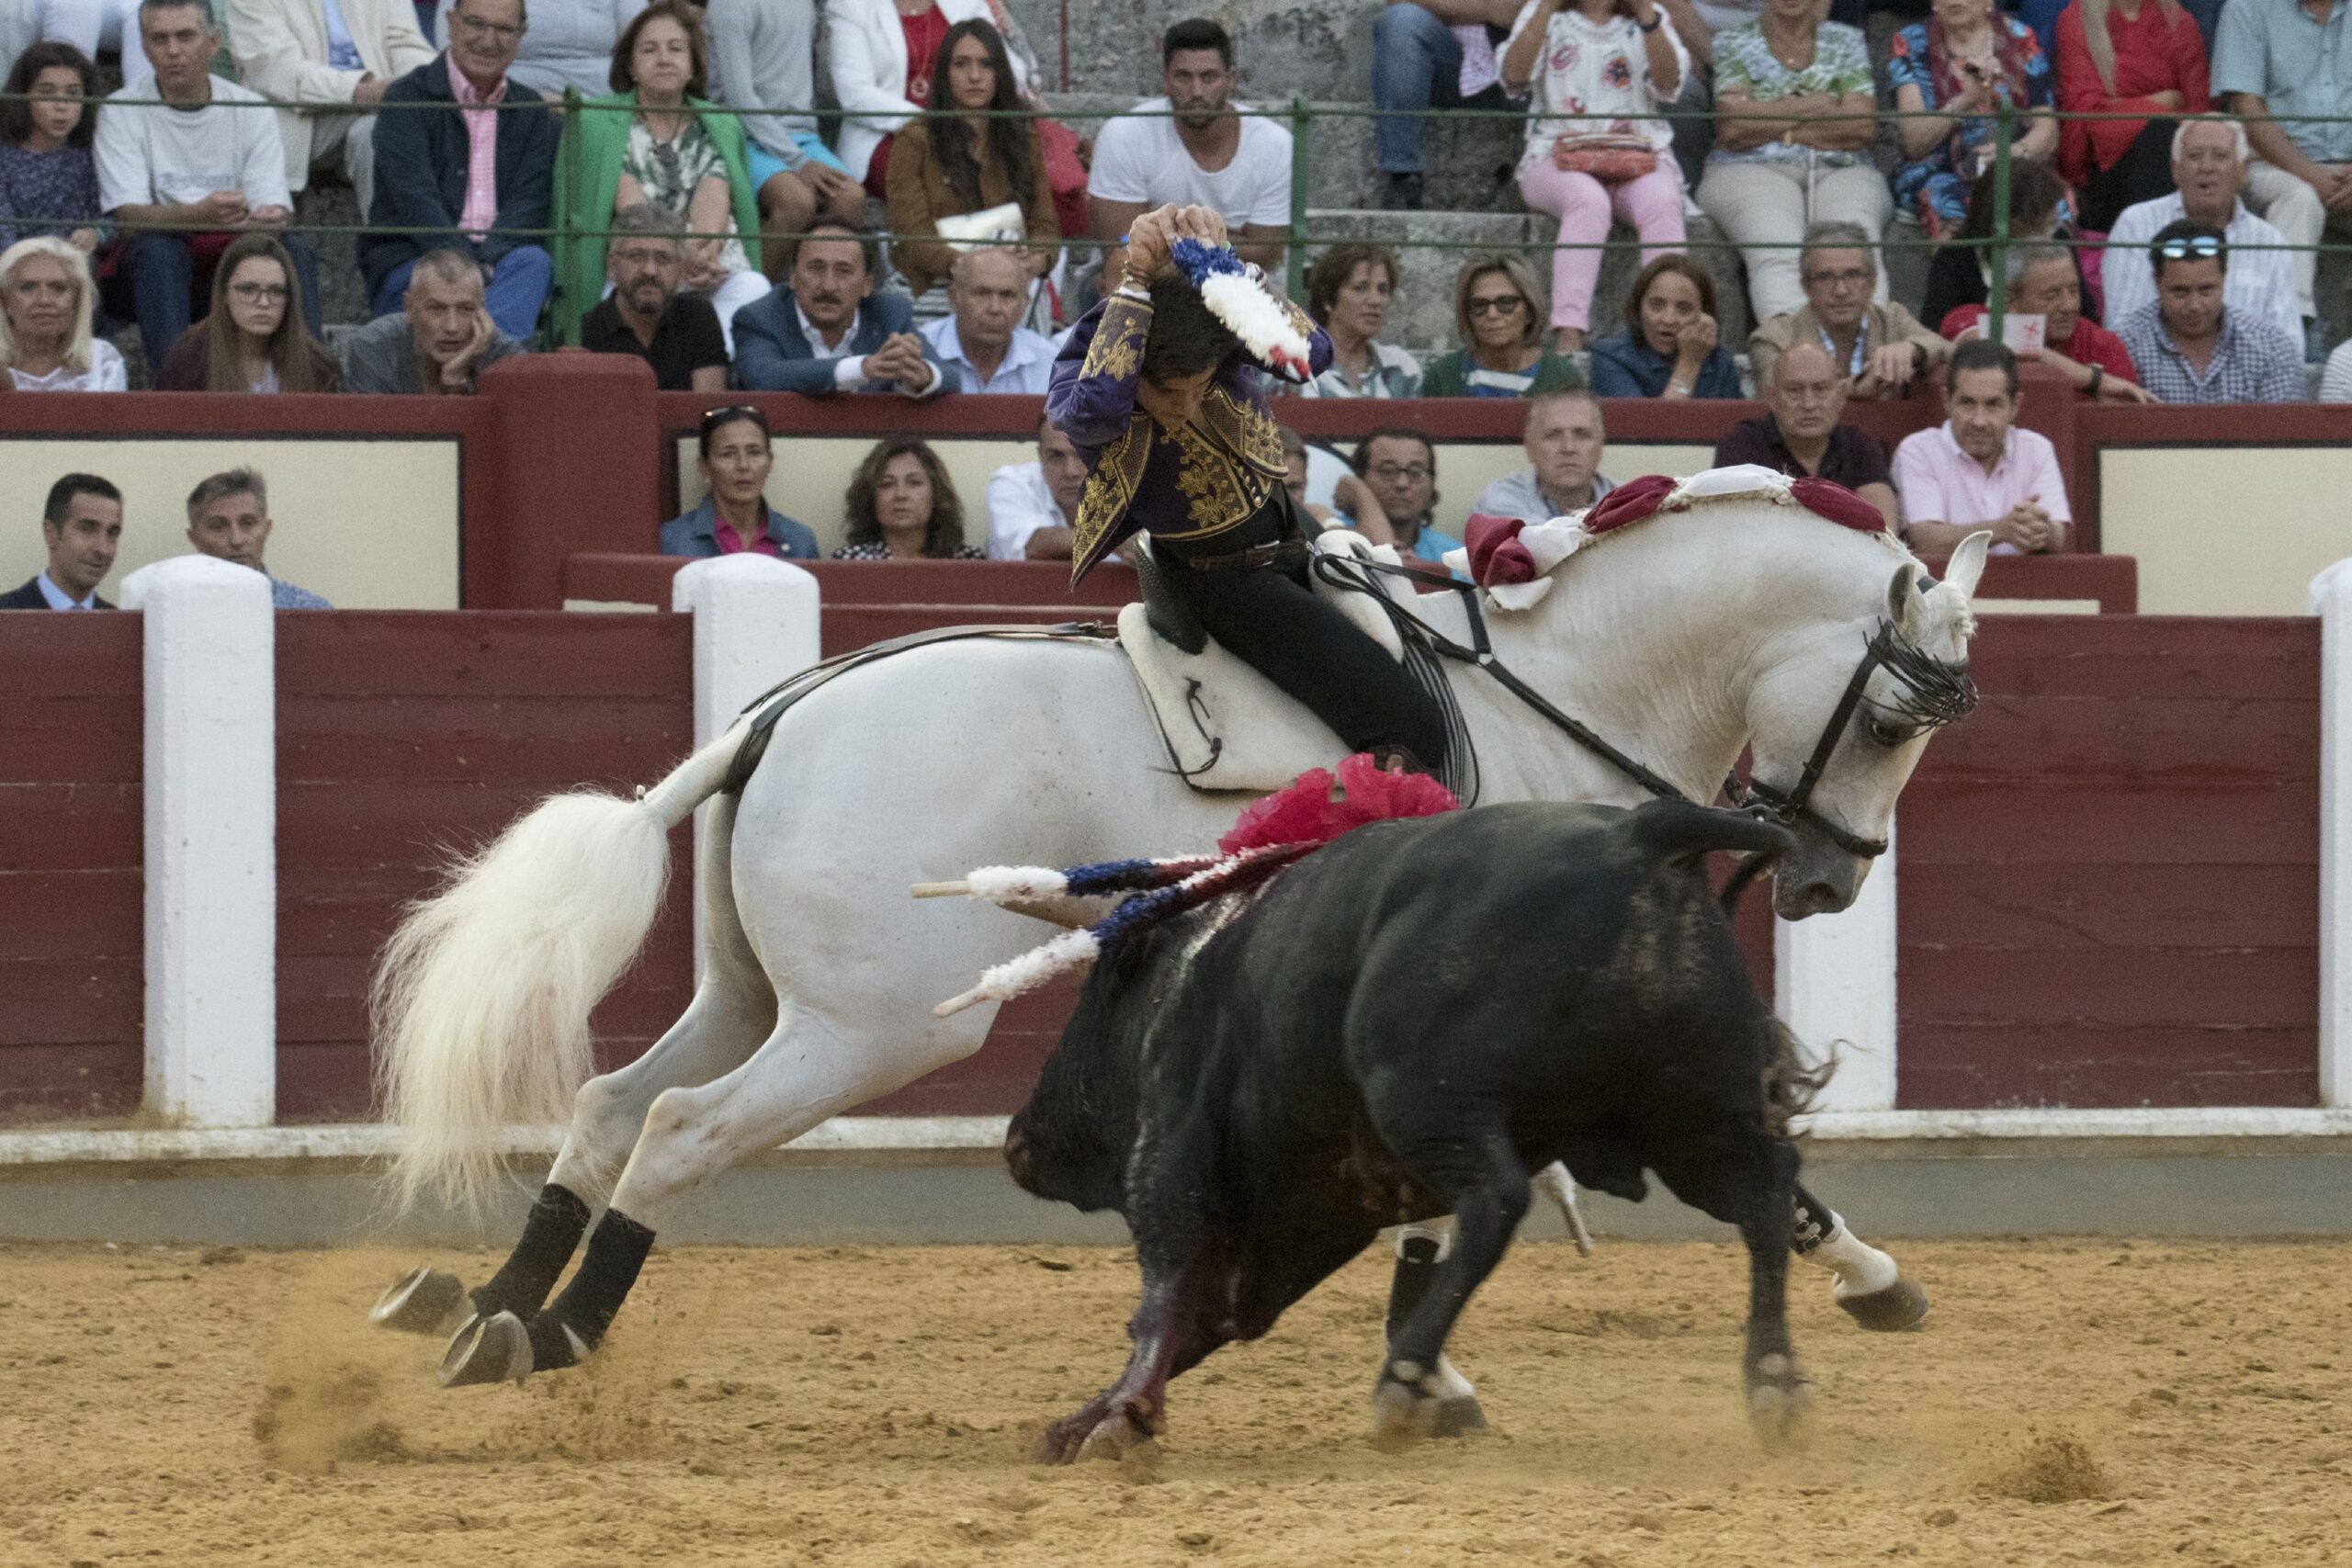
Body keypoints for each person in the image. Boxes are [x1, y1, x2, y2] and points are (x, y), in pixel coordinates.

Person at [1048, 202, 1448, 773]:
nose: (1183, 409)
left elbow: (1312, 357)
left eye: (1200, 387)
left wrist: (1223, 267)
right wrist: (1134, 283)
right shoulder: (1093, 353)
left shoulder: (1219, 319)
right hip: (1224, 583)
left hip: (1292, 529)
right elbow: (1091, 413)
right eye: (1167, 394)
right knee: (1408, 725)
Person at [97, 0, 322, 371]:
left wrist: (267, 219)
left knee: (294, 252)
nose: (173, 51)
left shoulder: (250, 107)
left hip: (234, 258)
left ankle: (310, 387)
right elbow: (129, 217)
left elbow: (275, 210)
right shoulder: (120, 109)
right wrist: (199, 215)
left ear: (213, 42)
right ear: (144, 45)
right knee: (157, 250)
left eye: (185, 36)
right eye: (159, 39)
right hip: (156, 272)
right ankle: (175, 391)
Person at [556, 1, 765, 352]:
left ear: (693, 63)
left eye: (676, 49)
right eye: (649, 50)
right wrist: (675, 261)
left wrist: (707, 251)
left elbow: (715, 193)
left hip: (703, 267)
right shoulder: (597, 121)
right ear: (631, 65)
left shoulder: (721, 124)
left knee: (754, 288)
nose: (664, 58)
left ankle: (711, 375)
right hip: (636, 268)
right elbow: (633, 209)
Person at [365, 0, 559, 343]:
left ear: (521, 34)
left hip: (501, 264)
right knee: (424, 282)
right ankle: (483, 366)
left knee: (533, 262)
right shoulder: (406, 98)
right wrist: (467, 266)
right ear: (450, 23)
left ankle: (475, 364)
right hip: (418, 257)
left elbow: (529, 203)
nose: (488, 40)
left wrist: (486, 263)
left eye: (503, 29)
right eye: (476, 24)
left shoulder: (532, 110)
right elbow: (414, 200)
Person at [1502, 0, 1689, 355]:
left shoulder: (1650, 17)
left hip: (1636, 157)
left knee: (1663, 200)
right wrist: (1546, 7)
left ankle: (1669, 329)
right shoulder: (1547, 16)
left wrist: (1647, 16)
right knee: (1588, 201)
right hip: (1557, 157)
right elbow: (1514, 76)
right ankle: (1569, 332)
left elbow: (1669, 85)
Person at [1692, 0, 1885, 323]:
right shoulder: (1732, 40)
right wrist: (1818, 105)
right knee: (1778, 251)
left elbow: (1861, 125)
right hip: (1747, 167)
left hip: (1843, 166)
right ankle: (1794, 360)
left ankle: (1872, 360)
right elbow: (1732, 126)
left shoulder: (1846, 40)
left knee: (1857, 249)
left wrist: (1769, 118)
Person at [1087, 19, 1291, 273]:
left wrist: (1165, 234)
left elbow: (1265, 255)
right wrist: (1222, 238)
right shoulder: (1124, 134)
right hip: (1144, 284)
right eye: (1183, 76)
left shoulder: (1274, 144)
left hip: (1239, 285)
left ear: (1231, 79)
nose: (1196, 91)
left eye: (1209, 77)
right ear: (1165, 79)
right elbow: (1123, 248)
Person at [2213, 0, 2352, 359]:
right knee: (2300, 199)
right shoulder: (2247, 8)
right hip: (2273, 165)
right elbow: (2246, 106)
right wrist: (2310, 173)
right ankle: (2293, 338)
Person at [884, 17, 1057, 296]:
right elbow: (913, 234)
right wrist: (972, 268)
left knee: (1019, 288)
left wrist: (1037, 260)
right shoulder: (913, 139)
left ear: (999, 72)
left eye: (986, 64)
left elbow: (1044, 224)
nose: (975, 76)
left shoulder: (1023, 136)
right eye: (961, 64)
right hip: (935, 283)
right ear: (944, 73)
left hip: (1009, 278)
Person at [225, 0, 435, 223]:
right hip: (297, 119)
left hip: (378, 110)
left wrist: (416, 83)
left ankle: (398, 250)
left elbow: (406, 43)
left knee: (373, 134)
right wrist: (360, 91)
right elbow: (279, 69)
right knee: (395, 125)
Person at [2101, 119, 2301, 346]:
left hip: (2247, 377)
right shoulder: (2136, 225)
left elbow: (2289, 343)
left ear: (2242, 171)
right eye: (2194, 156)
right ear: (2175, 170)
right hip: (2154, 374)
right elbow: (2121, 328)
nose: (2207, 167)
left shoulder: (2269, 242)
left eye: (2220, 156)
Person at [702, 0, 864, 269]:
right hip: (741, 135)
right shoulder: (728, 5)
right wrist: (798, 161)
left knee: (851, 198)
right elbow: (738, 98)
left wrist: (799, 154)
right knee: (797, 203)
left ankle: (817, 299)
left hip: (800, 136)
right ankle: (756, 300)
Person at [1884, 0, 2055, 239]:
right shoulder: (1910, 43)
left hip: (2011, 163)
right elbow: (1915, 141)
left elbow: (2047, 127)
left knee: (2054, 205)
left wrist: (2015, 151)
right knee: (1954, 207)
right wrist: (1964, 100)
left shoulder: (2020, 37)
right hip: (1936, 169)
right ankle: (1959, 275)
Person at [826, 0, 1030, 198]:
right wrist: (936, 122)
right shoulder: (851, 5)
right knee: (946, 174)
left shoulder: (967, 3)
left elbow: (1012, 70)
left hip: (969, 125)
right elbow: (854, 93)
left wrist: (972, 116)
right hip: (887, 136)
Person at [1892, 339, 2070, 557]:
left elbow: (2057, 537)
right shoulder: (1918, 450)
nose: (1979, 421)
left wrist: (2040, 530)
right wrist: (2003, 529)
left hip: (2021, 590)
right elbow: (1925, 539)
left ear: (2015, 406)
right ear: (1946, 401)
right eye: (1967, 403)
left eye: (1993, 404)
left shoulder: (2037, 449)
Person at [731, 221, 948, 395]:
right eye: (816, 268)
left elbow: (949, 376)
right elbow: (762, 377)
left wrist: (920, 375)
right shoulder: (760, 317)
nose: (828, 286)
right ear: (793, 277)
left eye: (843, 271)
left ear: (867, 285)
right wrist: (860, 368)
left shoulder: (889, 313)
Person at [2054, 0, 2211, 231]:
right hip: (2107, 174)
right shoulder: (2076, 20)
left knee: (2168, 138)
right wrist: (2167, 101)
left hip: (2175, 163)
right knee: (2162, 133)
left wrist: (2120, 107)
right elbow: (2090, 119)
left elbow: (2198, 116)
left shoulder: (2179, 21)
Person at [1747, 221, 1949, 398]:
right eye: (1825, 277)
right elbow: (1781, 395)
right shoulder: (1773, 338)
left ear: (1872, 283)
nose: (1841, 290)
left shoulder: (1893, 320)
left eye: (1853, 275)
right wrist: (1856, 388)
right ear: (1806, 286)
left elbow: (1952, 351)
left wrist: (1914, 349)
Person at [1712, 341, 1899, 526]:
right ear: (1772, 398)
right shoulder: (1742, 446)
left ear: (1840, 397)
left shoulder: (1859, 447)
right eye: (1794, 390)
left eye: (1820, 389)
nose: (1809, 404)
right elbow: (1738, 528)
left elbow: (1883, 531)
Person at [2115, 220, 2306, 401]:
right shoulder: (2127, 345)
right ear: (2157, 282)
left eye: (2206, 290)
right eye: (2180, 292)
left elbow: (2283, 431)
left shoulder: (2270, 348)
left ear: (2224, 277)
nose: (2194, 305)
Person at [1942, 243, 2153, 402]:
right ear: (2009, 300)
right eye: (2051, 295)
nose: (2069, 306)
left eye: (2073, 290)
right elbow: (1989, 343)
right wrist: (2093, 379)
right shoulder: (1969, 317)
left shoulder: (2104, 345)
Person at [1369, 0, 1526, 211]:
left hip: (1535, 71)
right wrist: (1491, 9)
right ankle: (1404, 180)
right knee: (1402, 20)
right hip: (1450, 67)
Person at [1918, 158, 2098, 334]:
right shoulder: (1955, 258)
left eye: (2052, 224)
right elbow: (1934, 332)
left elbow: (2087, 319)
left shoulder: (2058, 240)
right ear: (2007, 223)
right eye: (2041, 226)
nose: (2049, 234)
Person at [154, 229, 342, 390]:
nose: (263, 302)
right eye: (248, 289)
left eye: (276, 291)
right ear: (224, 294)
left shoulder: (318, 366)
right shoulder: (189, 360)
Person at [577, 204, 726, 391]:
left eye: (663, 259)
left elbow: (708, 408)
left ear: (681, 269)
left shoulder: (698, 318)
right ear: (612, 267)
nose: (650, 271)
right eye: (636, 257)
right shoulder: (585, 332)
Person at [341, 244, 526, 391]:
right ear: (409, 308)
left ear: (482, 309)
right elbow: (373, 436)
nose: (451, 327)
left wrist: (454, 384)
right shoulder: (374, 346)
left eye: (465, 309)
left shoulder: (504, 357)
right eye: (436, 309)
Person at [659, 404, 820, 558]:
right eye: (728, 454)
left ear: (770, 462)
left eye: (754, 453)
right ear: (704, 466)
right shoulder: (673, 540)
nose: (743, 465)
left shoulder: (800, 540)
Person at [1419, 251, 1586, 396]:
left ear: (1529, 311)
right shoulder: (1443, 377)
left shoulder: (1561, 376)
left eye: (1506, 303)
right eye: (1479, 305)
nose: (1492, 314)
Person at [0, 41, 104, 254]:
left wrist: (96, 234)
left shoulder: (93, 151)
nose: (61, 106)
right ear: (24, 94)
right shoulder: (4, 155)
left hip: (76, 264)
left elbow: (113, 216)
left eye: (73, 93)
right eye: (48, 92)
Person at [1588, 252, 1741, 397]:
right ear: (1638, 308)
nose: (1668, 320)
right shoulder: (1611, 357)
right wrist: (1689, 364)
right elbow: (1649, 425)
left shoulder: (1720, 363)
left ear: (1704, 315)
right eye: (1656, 305)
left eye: (1683, 309)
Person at [428, 0, 648, 97]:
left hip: (598, 110)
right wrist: (531, 102)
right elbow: (454, 47)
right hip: (503, 107)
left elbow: (641, 43)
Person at [182, 467, 334, 605]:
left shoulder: (310, 612)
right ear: (194, 538)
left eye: (247, 523)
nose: (236, 540)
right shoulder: (173, 610)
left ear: (266, 529)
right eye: (218, 526)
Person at [918, 245, 1055, 393]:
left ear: (1025, 303)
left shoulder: (1050, 364)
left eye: (1007, 295)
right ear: (954, 298)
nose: (995, 308)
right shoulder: (919, 352)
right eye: (982, 294)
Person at [1471, 389, 1618, 524]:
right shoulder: (1498, 502)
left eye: (1582, 435)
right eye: (1553, 435)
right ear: (1529, 448)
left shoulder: (1631, 502)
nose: (1569, 448)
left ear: (1601, 446)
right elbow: (1545, 547)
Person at [1296, 242, 1421, 398]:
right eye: (1360, 288)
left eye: (1383, 290)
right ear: (1328, 300)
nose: (1375, 300)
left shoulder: (1402, 369)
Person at [0, 232, 122, 388]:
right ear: (5, 301)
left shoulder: (102, 360)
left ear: (77, 300)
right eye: (28, 287)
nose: (44, 300)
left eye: (59, 288)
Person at [831, 437, 985, 559]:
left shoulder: (967, 560)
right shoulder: (850, 560)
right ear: (870, 496)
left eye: (914, 483)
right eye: (887, 484)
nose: (901, 495)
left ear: (936, 493)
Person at [0, 471, 121, 609]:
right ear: (50, 533)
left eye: (112, 533)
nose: (102, 549)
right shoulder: (5, 617)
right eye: (87, 529)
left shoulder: (121, 626)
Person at [1350, 427, 1463, 570]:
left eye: (1415, 472)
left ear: (1432, 483)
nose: (1402, 484)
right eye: (1388, 471)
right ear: (1361, 478)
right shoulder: (1334, 535)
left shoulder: (1453, 557)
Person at [985, 408, 1089, 558]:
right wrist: (1110, 541)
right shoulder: (1012, 482)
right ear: (1040, 456)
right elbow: (1030, 547)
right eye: (1056, 456)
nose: (1070, 471)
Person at [1277, 425, 1395, 540]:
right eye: (1273, 489)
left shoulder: (1319, 520)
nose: (1286, 499)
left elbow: (1384, 549)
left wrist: (1357, 489)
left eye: (1293, 488)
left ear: (1305, 483)